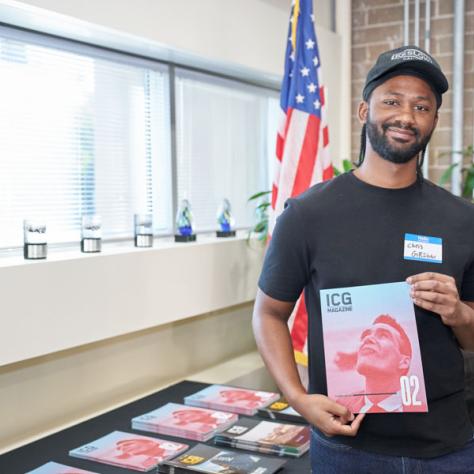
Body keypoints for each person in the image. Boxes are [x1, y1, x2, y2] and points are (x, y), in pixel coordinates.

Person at [253, 45, 474, 473]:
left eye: (421, 106)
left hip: (450, 448)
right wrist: (298, 398)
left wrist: (459, 314)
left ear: (433, 122)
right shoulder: (309, 214)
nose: (406, 116)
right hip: (347, 448)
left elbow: (473, 338)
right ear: (363, 110)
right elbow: (268, 313)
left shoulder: (464, 219)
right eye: (392, 100)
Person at [335, 314, 416, 414]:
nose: (367, 339)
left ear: (404, 362)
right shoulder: (340, 406)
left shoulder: (420, 410)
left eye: (383, 335)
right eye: (365, 336)